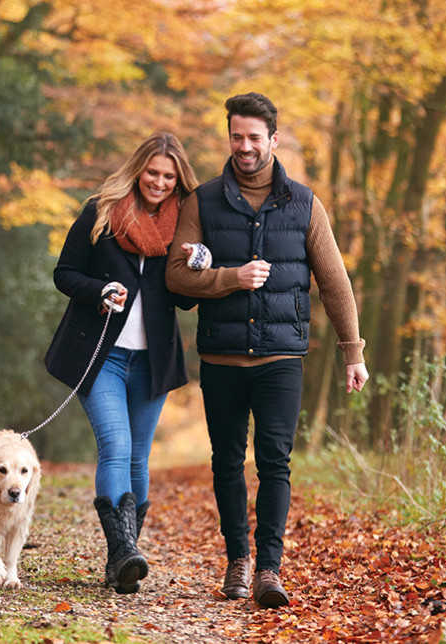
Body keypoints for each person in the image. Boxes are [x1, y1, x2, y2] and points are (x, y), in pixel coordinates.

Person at [165, 93, 369, 608]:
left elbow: (335, 282)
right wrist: (230, 278)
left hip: (281, 359)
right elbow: (174, 276)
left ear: (273, 140)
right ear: (229, 137)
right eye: (237, 136)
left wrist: (353, 351)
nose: (245, 146)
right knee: (227, 463)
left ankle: (269, 570)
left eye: (255, 138)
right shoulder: (203, 202)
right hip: (221, 358)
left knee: (275, 462)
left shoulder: (304, 204)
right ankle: (238, 561)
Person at [44, 132, 199, 594]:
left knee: (138, 456)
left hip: (152, 361)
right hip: (102, 354)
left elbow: (186, 302)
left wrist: (195, 266)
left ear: (178, 180)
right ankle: (124, 553)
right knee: (115, 444)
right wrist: (99, 291)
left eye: (169, 176)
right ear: (138, 169)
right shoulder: (102, 212)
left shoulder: (185, 227)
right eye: (153, 172)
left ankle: (122, 559)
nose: (159, 182)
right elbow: (64, 273)